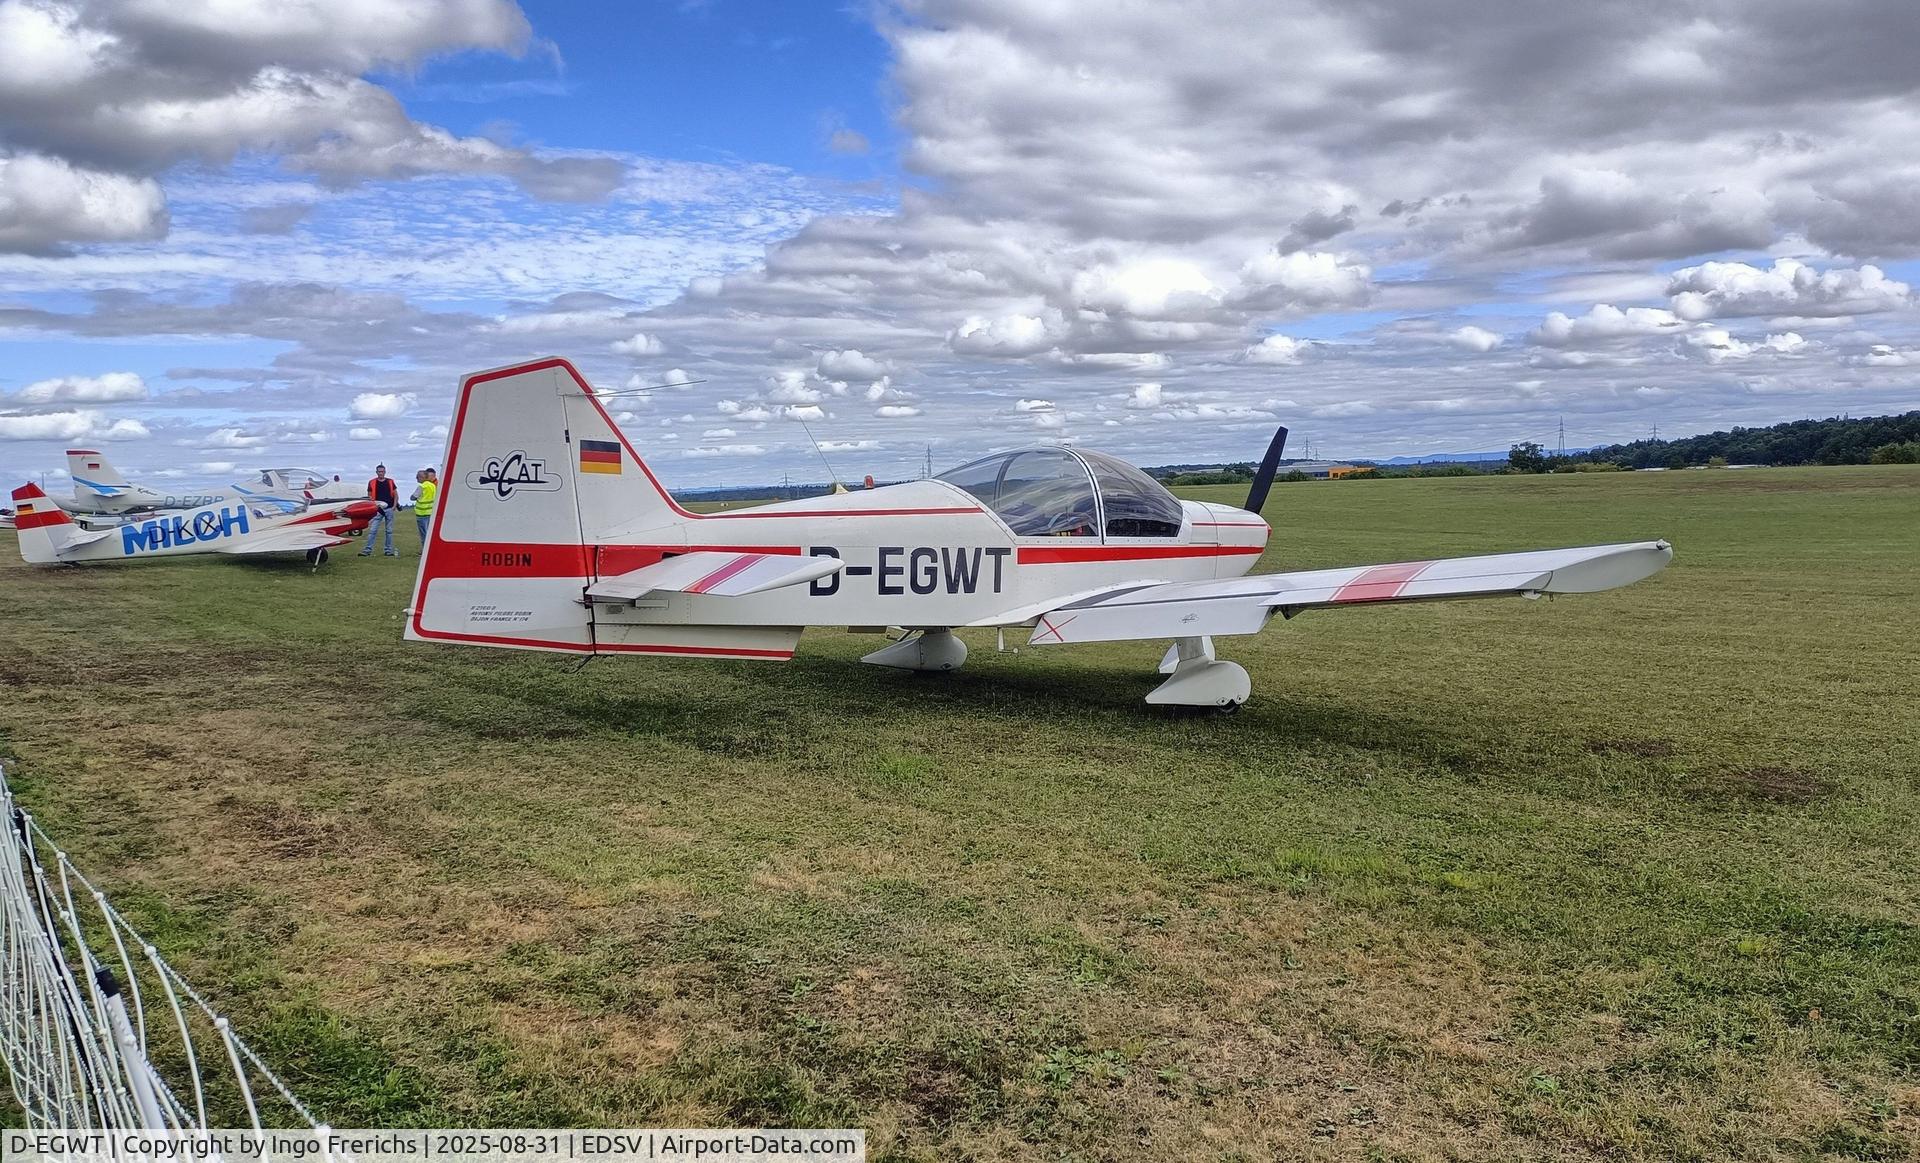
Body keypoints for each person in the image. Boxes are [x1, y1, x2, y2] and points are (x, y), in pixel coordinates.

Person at [360, 463, 400, 557]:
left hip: (389, 508)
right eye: (379, 472)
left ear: (385, 472)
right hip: (377, 510)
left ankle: (388, 550)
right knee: (373, 530)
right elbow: (369, 496)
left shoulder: (390, 482)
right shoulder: (372, 482)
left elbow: (395, 495)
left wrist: (394, 506)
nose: (381, 473)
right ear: (376, 472)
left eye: (382, 472)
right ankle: (367, 550)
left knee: (389, 531)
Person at [410, 468, 438, 552]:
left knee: (423, 534)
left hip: (421, 513)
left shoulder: (422, 486)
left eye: (418, 477)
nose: (416, 478)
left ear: (422, 477)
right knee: (430, 533)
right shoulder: (433, 485)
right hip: (430, 512)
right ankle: (431, 549)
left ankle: (425, 551)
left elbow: (413, 497)